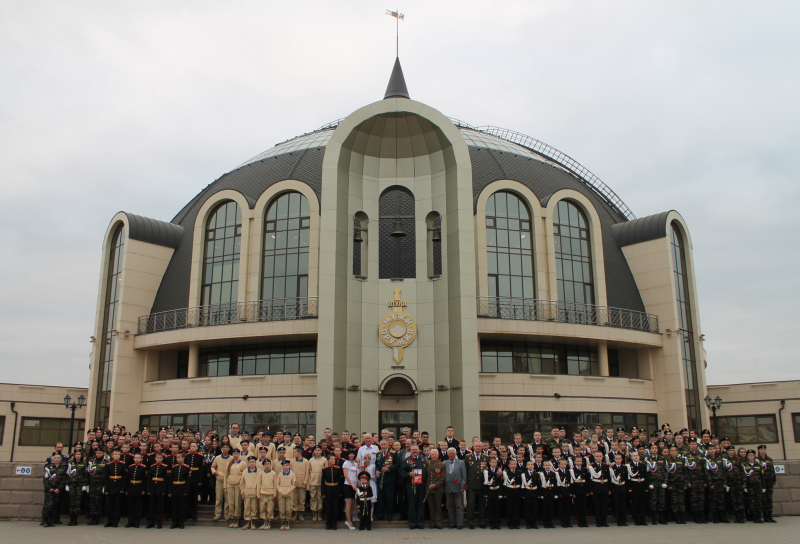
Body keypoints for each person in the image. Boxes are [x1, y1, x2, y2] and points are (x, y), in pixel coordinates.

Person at [464, 440, 489, 529]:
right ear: (473, 447)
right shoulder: (468, 457)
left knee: (482, 503)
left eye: (479, 446)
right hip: (471, 484)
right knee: (471, 503)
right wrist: (465, 483)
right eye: (476, 446)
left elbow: (490, 467)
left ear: (482, 447)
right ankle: (471, 521)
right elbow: (465, 471)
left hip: (482, 484)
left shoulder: (486, 457)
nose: (478, 448)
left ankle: (481, 521)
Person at [375, 439, 399, 521]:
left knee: (390, 498)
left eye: (385, 444)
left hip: (390, 479)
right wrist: (377, 471)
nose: (383, 446)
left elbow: (397, 465)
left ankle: (390, 515)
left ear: (388, 445)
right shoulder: (378, 454)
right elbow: (376, 465)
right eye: (382, 445)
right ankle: (380, 514)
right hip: (380, 479)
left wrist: (388, 469)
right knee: (380, 498)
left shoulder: (393, 453)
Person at [685, 440, 708, 523]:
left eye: (695, 444)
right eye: (692, 444)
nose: (694, 446)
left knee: (701, 499)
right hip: (692, 481)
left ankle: (702, 516)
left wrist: (705, 481)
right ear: (689, 445)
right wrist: (688, 481)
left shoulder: (701, 455)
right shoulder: (686, 455)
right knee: (694, 499)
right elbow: (685, 470)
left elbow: (705, 468)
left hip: (701, 480)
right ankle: (696, 516)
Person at [646, 443, 667, 525]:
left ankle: (662, 518)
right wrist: (649, 483)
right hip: (653, 483)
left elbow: (665, 471)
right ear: (650, 450)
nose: (654, 449)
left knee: (662, 501)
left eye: (655, 448)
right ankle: (654, 519)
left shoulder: (662, 458)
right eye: (653, 448)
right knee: (653, 501)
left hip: (661, 483)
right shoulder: (648, 459)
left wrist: (665, 482)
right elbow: (646, 473)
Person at [724, 445, 746, 523]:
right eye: (730, 450)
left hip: (738, 482)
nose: (731, 452)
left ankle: (742, 517)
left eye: (732, 450)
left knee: (740, 500)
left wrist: (743, 482)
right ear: (727, 452)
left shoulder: (738, 459)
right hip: (730, 483)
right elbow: (724, 473)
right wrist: (725, 483)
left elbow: (742, 472)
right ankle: (737, 517)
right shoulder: (725, 460)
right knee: (733, 500)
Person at [168, 451, 190, 529]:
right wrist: (170, 491)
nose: (177, 459)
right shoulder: (174, 467)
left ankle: (181, 522)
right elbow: (170, 480)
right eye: (177, 458)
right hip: (174, 488)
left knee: (182, 507)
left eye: (179, 457)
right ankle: (174, 522)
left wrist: (186, 491)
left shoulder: (186, 467)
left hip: (182, 488)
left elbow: (188, 480)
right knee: (174, 506)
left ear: (183, 458)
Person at [42, 453, 65, 528]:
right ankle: (46, 521)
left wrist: (58, 488)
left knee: (54, 506)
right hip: (49, 490)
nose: (56, 459)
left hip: (57, 490)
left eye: (58, 458)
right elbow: (45, 479)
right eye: (55, 458)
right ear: (52, 460)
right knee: (48, 505)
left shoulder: (62, 468)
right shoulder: (48, 467)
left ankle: (51, 521)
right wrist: (49, 488)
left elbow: (63, 480)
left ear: (60, 460)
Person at [104, 449, 126, 527]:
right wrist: (106, 489)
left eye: (118, 454)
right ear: (112, 456)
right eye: (115, 454)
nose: (117, 456)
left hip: (118, 486)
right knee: (109, 505)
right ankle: (109, 520)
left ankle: (115, 521)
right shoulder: (108, 465)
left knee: (117, 505)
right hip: (111, 486)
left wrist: (122, 488)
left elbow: (124, 478)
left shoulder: (123, 464)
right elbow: (106, 478)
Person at [146, 452, 169, 529]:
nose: (158, 459)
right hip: (153, 488)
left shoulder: (165, 467)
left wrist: (164, 490)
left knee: (159, 507)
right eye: (157, 458)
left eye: (160, 458)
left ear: (162, 459)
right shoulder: (152, 467)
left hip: (160, 488)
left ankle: (159, 522)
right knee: (152, 506)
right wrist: (148, 489)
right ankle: (151, 522)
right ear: (155, 458)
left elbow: (166, 480)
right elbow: (149, 479)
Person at [125, 452, 147, 527]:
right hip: (131, 487)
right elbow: (128, 479)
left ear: (141, 459)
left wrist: (143, 489)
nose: (136, 459)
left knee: (137, 506)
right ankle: (130, 522)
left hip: (139, 487)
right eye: (135, 458)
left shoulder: (143, 467)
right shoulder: (130, 467)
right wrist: (127, 489)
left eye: (138, 458)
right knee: (130, 506)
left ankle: (136, 522)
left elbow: (144, 480)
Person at [224, 447, 245, 528]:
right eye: (234, 454)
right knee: (231, 502)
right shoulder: (229, 463)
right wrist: (225, 486)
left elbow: (244, 476)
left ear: (239, 454)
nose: (235, 455)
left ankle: (237, 518)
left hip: (238, 484)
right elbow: (226, 475)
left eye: (237, 454)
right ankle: (231, 517)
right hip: (230, 484)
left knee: (237, 502)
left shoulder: (243, 463)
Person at [66, 450, 88, 526]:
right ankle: (71, 519)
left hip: (79, 485)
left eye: (79, 454)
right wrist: (67, 484)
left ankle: (75, 519)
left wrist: (85, 485)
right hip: (72, 484)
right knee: (71, 502)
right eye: (76, 454)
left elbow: (86, 475)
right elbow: (67, 474)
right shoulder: (70, 464)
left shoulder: (84, 463)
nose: (77, 456)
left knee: (77, 502)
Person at [424, 448, 445, 528]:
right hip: (429, 488)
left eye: (435, 455)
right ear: (430, 455)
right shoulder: (427, 463)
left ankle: (439, 522)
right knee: (431, 507)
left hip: (438, 489)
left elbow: (442, 477)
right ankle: (433, 522)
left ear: (438, 455)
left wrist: (435, 485)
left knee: (438, 506)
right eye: (432, 455)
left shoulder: (442, 464)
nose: (434, 456)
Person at [210, 443, 231, 521]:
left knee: (227, 499)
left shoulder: (231, 458)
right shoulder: (218, 458)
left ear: (229, 449)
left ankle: (227, 514)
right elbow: (213, 467)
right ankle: (217, 514)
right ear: (221, 449)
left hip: (228, 481)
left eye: (226, 447)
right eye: (223, 447)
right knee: (218, 498)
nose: (225, 449)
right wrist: (215, 472)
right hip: (219, 479)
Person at [588, 450, 609, 528]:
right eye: (597, 456)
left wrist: (609, 489)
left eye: (600, 456)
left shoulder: (606, 466)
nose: (599, 458)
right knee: (597, 506)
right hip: (596, 488)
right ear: (594, 457)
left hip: (604, 487)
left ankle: (604, 521)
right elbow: (590, 480)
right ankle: (598, 522)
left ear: (602, 457)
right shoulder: (591, 466)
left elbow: (609, 477)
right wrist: (591, 490)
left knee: (604, 506)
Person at [86, 448, 108, 525]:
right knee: (92, 501)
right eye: (97, 453)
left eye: (100, 453)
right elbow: (88, 473)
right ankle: (92, 518)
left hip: (100, 484)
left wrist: (105, 486)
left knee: (98, 501)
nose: (98, 454)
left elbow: (106, 474)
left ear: (103, 454)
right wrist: (87, 484)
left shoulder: (106, 462)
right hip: (92, 484)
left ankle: (97, 518)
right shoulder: (91, 461)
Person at [743, 449, 764, 523]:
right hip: (750, 486)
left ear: (754, 456)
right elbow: (743, 476)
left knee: (758, 501)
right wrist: (744, 485)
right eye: (749, 455)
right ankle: (754, 517)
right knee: (752, 502)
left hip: (758, 485)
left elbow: (762, 476)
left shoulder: (758, 465)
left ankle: (759, 517)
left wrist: (763, 486)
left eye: (752, 455)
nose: (750, 456)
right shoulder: (745, 465)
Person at [185, 441, 204, 521]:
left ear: (197, 448)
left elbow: (201, 469)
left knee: (194, 497)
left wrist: (200, 480)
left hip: (196, 478)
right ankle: (188, 513)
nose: (192, 448)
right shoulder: (186, 456)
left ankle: (194, 514)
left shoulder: (200, 456)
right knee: (188, 497)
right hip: (188, 479)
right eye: (191, 446)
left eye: (194, 446)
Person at [322, 455, 343, 530]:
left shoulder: (337, 469)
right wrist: (323, 493)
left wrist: (340, 491)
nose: (333, 460)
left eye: (334, 459)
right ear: (328, 461)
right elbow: (322, 481)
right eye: (331, 459)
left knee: (335, 506)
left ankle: (334, 523)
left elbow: (340, 481)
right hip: (328, 489)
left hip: (336, 489)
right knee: (328, 507)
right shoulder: (325, 469)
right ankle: (328, 523)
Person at [757, 444, 777, 523]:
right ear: (759, 451)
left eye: (764, 450)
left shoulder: (769, 459)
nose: (763, 451)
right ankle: (765, 516)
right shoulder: (757, 460)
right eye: (761, 450)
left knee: (769, 499)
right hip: (762, 482)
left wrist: (774, 482)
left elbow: (773, 471)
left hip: (769, 481)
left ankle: (769, 516)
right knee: (763, 499)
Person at [290, 446, 310, 521]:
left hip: (302, 483)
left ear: (299, 453)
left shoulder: (306, 461)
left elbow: (307, 473)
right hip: (294, 483)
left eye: (295, 452)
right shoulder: (292, 461)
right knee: (294, 499)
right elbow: (291, 472)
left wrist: (305, 482)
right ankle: (295, 513)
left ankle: (301, 513)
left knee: (301, 499)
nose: (294, 454)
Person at [240, 456, 260, 530]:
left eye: (253, 462)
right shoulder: (245, 472)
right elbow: (242, 483)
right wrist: (242, 492)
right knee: (247, 508)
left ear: (255, 463)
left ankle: (253, 523)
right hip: (247, 493)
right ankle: (247, 523)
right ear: (248, 463)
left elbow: (260, 483)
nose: (252, 464)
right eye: (250, 462)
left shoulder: (259, 472)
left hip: (255, 493)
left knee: (254, 508)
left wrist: (258, 493)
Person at [256, 457, 277, 529]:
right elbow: (259, 484)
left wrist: (274, 494)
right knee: (262, 508)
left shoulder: (273, 473)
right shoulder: (261, 473)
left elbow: (275, 484)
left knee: (269, 508)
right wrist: (258, 494)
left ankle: (269, 522)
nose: (267, 465)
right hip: (262, 493)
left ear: (270, 465)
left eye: (268, 464)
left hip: (270, 494)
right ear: (263, 465)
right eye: (265, 464)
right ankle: (264, 522)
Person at [276, 459, 296, 530]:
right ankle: (282, 522)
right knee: (282, 508)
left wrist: (289, 491)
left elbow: (294, 484)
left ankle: (287, 522)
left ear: (289, 466)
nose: (285, 467)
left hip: (289, 494)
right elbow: (277, 484)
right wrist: (280, 491)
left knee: (288, 508)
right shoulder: (280, 474)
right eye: (284, 465)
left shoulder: (292, 474)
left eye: (287, 465)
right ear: (282, 466)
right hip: (281, 493)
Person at [608, 452, 627, 526]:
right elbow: (610, 479)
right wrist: (610, 489)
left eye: (619, 459)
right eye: (617, 459)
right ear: (614, 459)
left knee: (623, 505)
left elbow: (626, 478)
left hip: (623, 487)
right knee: (617, 505)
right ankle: (619, 521)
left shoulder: (624, 467)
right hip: (615, 487)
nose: (618, 460)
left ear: (622, 459)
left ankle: (624, 521)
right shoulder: (612, 468)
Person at [342, 449, 360, 530]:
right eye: (350, 454)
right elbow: (345, 475)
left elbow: (356, 474)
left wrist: (358, 483)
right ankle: (348, 521)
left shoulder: (355, 463)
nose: (351, 455)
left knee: (353, 503)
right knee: (348, 504)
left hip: (354, 485)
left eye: (352, 454)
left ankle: (349, 519)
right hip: (348, 485)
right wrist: (351, 484)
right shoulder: (346, 463)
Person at [569, 454, 589, 527]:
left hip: (583, 490)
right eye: (577, 461)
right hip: (576, 490)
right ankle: (579, 521)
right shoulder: (572, 470)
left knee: (584, 507)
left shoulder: (585, 469)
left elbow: (587, 481)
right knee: (578, 507)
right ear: (574, 462)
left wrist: (587, 491)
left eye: (580, 461)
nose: (579, 462)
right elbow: (572, 482)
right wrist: (572, 492)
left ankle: (584, 521)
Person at [308, 446, 327, 521]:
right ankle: (314, 513)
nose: (317, 451)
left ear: (321, 451)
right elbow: (309, 471)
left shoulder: (324, 460)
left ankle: (319, 513)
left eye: (319, 450)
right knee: (313, 498)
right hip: (313, 482)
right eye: (316, 450)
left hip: (321, 482)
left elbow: (326, 471)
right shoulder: (311, 460)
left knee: (320, 498)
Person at [503, 457, 523, 529]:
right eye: (512, 464)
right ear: (509, 465)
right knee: (510, 508)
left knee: (517, 508)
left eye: (515, 464)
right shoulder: (506, 473)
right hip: (509, 491)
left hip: (517, 491)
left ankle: (516, 523)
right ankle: (510, 523)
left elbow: (521, 482)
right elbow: (504, 484)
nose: (513, 465)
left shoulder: (519, 472)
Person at [483, 457, 502, 530]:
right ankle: (492, 523)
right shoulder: (486, 471)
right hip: (490, 491)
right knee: (490, 508)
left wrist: (500, 493)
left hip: (497, 491)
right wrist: (486, 493)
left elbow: (500, 483)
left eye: (495, 462)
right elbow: (485, 484)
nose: (494, 464)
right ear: (489, 463)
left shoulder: (499, 471)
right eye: (492, 462)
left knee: (497, 508)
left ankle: (497, 523)